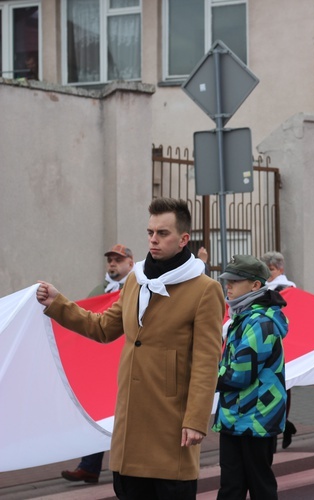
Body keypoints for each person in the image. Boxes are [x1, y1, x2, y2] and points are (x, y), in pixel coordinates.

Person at [36, 198, 225, 500]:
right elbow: (102, 328)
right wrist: (58, 304)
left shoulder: (205, 289)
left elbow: (206, 361)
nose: (153, 239)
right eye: (150, 232)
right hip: (130, 426)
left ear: (183, 239)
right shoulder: (137, 279)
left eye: (162, 233)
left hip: (171, 426)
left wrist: (196, 420)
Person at [213, 255, 289, 500]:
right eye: (227, 280)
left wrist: (203, 376)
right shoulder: (243, 317)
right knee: (231, 489)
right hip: (238, 417)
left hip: (256, 419)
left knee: (259, 488)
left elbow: (240, 374)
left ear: (256, 285)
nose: (228, 286)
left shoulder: (260, 322)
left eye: (235, 280)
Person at [61, 244, 135, 484]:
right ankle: (89, 466)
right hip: (100, 364)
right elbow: (90, 322)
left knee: (125, 416)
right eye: (110, 260)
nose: (112, 263)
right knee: (97, 412)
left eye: (118, 260)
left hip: (125, 363)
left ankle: (128, 468)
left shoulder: (137, 287)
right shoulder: (98, 291)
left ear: (130, 264)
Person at [260, 251, 297, 449]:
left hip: (285, 344)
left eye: (272, 269)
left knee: (284, 387)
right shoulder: (262, 289)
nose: (269, 273)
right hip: (268, 344)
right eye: (266, 269)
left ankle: (282, 427)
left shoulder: (287, 289)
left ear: (280, 269)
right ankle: (282, 427)